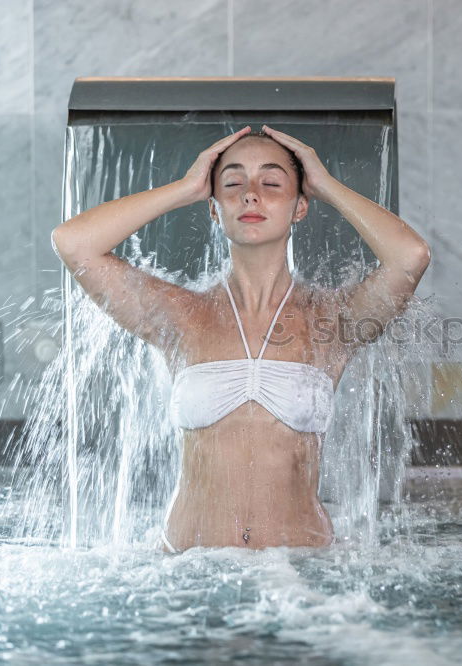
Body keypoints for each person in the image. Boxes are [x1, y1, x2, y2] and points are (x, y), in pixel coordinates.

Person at [51, 124, 431, 552]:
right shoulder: (180, 316)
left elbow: (410, 257)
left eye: (271, 182)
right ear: (214, 210)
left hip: (300, 573)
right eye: (232, 183)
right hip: (189, 568)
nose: (251, 194)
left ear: (300, 207)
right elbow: (74, 243)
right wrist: (184, 188)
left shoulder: (331, 322)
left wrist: (325, 184)